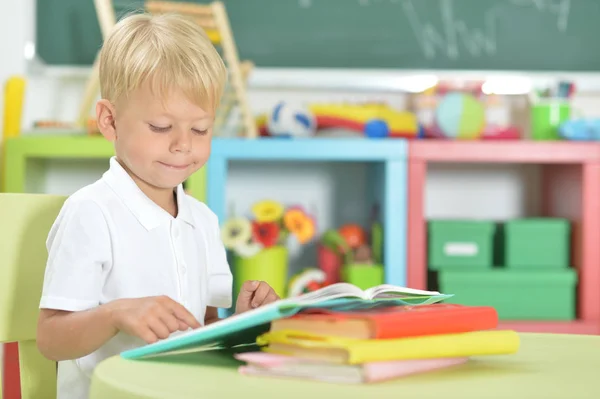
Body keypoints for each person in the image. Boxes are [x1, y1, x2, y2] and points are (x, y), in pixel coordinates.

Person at [36, 12, 279, 399]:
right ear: (110, 121)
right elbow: (50, 339)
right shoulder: (91, 212)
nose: (183, 144)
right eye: (161, 127)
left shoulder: (203, 221)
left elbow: (204, 327)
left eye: (200, 129)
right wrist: (115, 314)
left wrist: (245, 325)